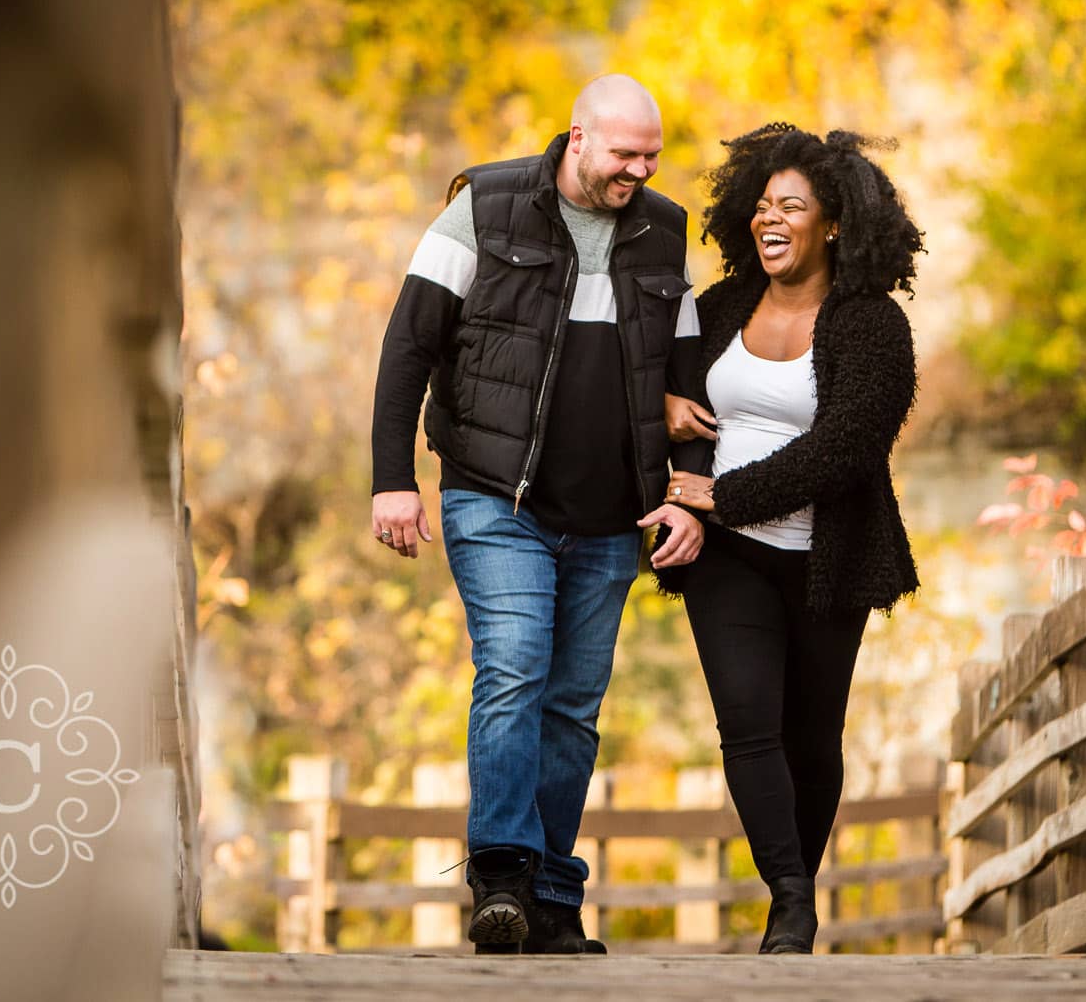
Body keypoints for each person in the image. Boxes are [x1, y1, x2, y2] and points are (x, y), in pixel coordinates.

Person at [370, 75, 705, 954]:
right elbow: (408, 346)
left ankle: (553, 900)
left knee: (574, 706)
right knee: (515, 667)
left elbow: (689, 378)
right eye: (625, 152)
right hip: (494, 494)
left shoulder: (664, 230)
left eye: (652, 155)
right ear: (579, 137)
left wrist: (689, 488)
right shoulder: (485, 209)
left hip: (609, 518)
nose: (640, 168)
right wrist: (390, 478)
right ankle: (503, 877)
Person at [658, 123, 922, 954]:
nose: (771, 219)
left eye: (792, 206)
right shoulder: (720, 307)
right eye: (763, 205)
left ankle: (791, 898)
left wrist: (723, 493)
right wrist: (670, 412)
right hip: (724, 558)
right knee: (747, 724)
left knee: (813, 737)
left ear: (834, 222)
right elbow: (670, 391)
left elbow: (844, 450)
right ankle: (791, 898)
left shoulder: (873, 325)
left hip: (826, 559)